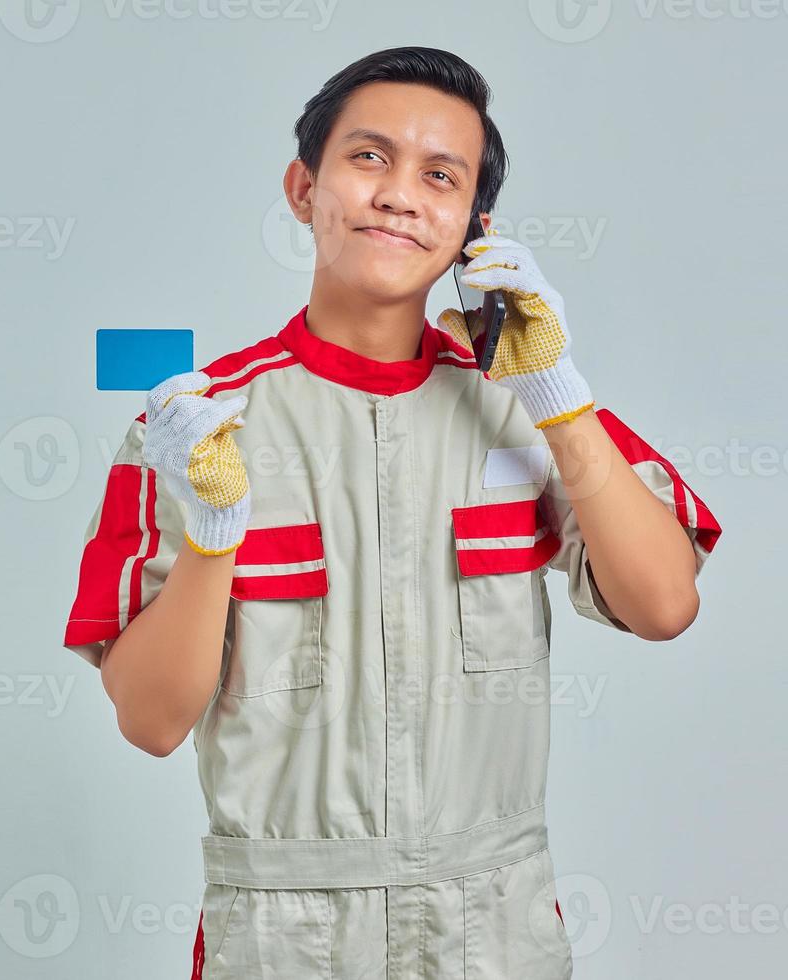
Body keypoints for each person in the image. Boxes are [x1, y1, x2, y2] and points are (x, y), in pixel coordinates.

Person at [62, 45, 722, 979]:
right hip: (286, 933)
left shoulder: (529, 403)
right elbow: (150, 721)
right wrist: (216, 533)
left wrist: (556, 396)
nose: (400, 195)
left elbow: (664, 606)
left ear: (473, 227)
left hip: (493, 925)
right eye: (369, 158)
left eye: (440, 175)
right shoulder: (196, 426)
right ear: (304, 188)